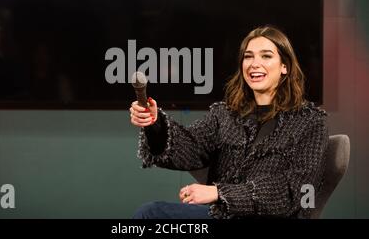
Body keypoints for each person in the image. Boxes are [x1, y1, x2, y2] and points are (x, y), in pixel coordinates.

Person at [129, 25, 329, 219]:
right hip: (221, 215)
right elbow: (189, 146)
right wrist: (155, 124)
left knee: (150, 214)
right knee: (151, 213)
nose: (254, 63)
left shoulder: (310, 122)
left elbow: (299, 192)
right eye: (248, 56)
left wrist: (219, 193)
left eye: (266, 56)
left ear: (284, 66)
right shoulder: (225, 114)